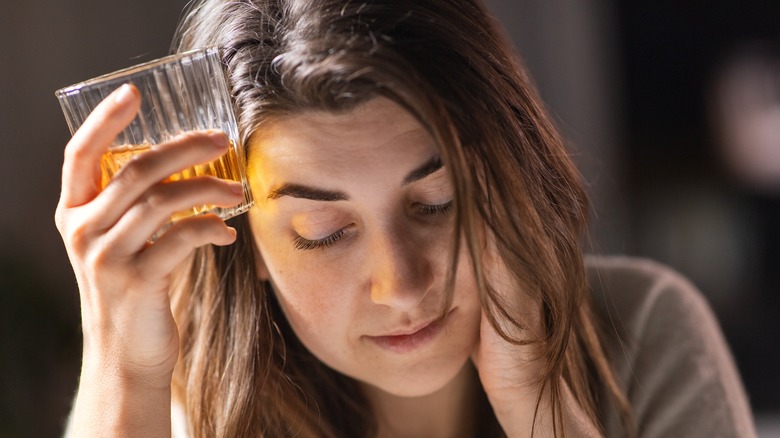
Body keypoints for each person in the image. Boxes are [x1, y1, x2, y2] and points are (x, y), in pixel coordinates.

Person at [57, 0, 756, 436]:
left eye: (435, 204)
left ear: (505, 179)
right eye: (322, 233)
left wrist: (537, 402)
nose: (403, 285)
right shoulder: (186, 411)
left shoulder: (644, 334)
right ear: (248, 248)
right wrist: (122, 365)